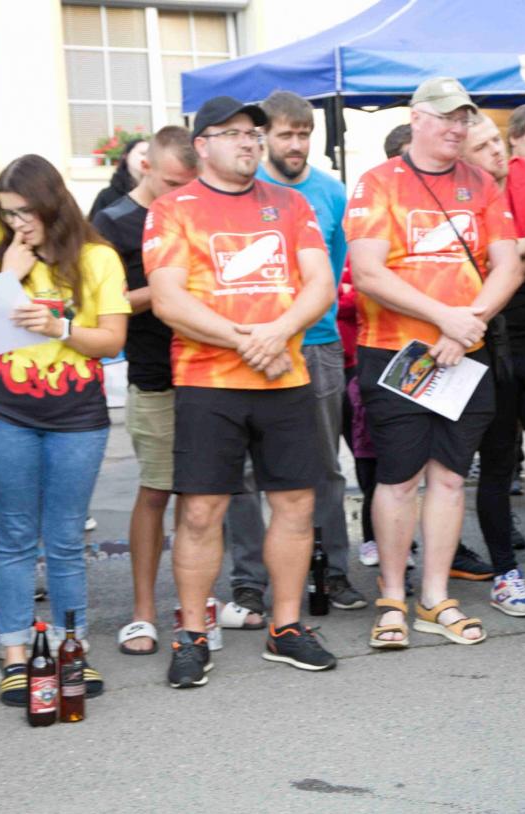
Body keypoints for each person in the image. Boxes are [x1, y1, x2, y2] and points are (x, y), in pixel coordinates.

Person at [145, 95, 337, 687]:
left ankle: (286, 627)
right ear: (202, 145)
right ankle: (192, 635)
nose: (249, 141)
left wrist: (278, 332)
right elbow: (168, 299)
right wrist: (245, 340)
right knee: (201, 511)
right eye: (232, 133)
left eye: (253, 132)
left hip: (285, 376)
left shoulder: (292, 203)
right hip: (208, 381)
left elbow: (321, 283)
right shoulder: (173, 209)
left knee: (296, 504)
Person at [345, 77, 520, 649]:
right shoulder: (378, 183)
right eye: (446, 117)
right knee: (398, 479)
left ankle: (435, 597)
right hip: (395, 353)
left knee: (449, 477)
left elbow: (507, 267)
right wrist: (446, 318)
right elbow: (368, 272)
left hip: (464, 354)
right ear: (416, 118)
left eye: (463, 118)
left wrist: (468, 322)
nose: (457, 127)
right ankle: (392, 596)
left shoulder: (482, 184)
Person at [0, 154, 130, 706]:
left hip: (76, 416)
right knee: (15, 537)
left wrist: (58, 326)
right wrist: (6, 276)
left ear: (51, 204)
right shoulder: (3, 255)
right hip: (4, 410)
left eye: (25, 212)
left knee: (66, 539)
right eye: (7, 214)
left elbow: (112, 340)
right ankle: (15, 654)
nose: (17, 223)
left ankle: (72, 648)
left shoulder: (96, 258)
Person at [222, 90, 365, 617]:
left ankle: (331, 571)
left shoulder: (331, 192)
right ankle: (248, 581)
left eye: (304, 134)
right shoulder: (239, 190)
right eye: (286, 134)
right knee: (242, 473)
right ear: (264, 138)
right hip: (244, 346)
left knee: (323, 466)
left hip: (317, 346)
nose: (296, 144)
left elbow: (334, 272)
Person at [93, 126, 200, 655]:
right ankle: (142, 613)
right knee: (156, 491)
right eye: (174, 184)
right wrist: (163, 291)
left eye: (189, 184)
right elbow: (101, 302)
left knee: (201, 497)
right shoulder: (112, 222)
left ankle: (195, 606)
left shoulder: (198, 212)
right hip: (154, 374)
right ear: (146, 167)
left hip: (208, 371)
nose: (182, 194)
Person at [460, 113, 525, 617]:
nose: (497, 152)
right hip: (489, 350)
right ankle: (505, 573)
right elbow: (482, 268)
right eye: (483, 147)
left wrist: (511, 259)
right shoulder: (461, 199)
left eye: (496, 142)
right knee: (498, 466)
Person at [88, 137, 148, 219]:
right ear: (126, 156)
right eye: (143, 153)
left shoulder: (157, 195)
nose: (147, 158)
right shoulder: (107, 196)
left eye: (151, 155)